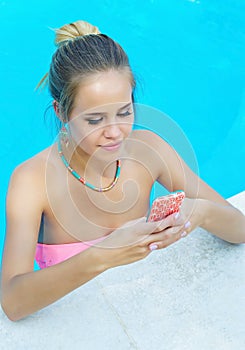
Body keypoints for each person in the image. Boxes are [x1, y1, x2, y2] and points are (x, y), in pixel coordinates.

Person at [1, 20, 245, 322]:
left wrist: (200, 213)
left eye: (125, 112)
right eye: (95, 120)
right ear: (60, 112)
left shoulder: (149, 151)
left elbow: (240, 229)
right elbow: (13, 303)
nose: (115, 132)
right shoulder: (32, 182)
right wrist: (104, 256)